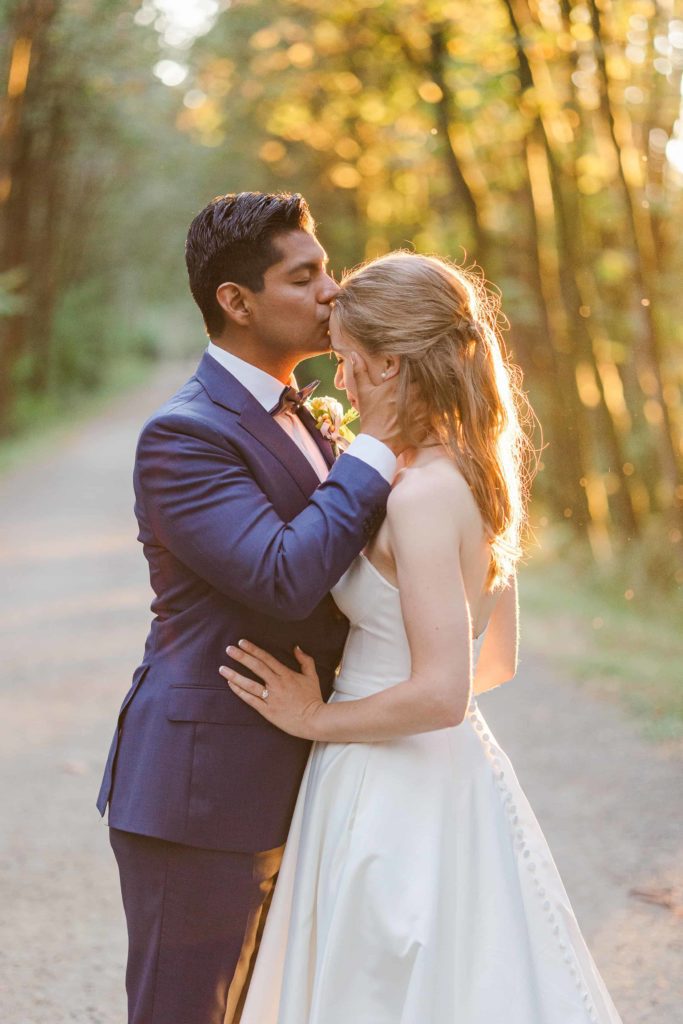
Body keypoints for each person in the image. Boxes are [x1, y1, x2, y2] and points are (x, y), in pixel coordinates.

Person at [223, 252, 625, 1024]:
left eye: (347, 363)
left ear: (392, 362)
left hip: (387, 787)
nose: (341, 383)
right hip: (456, 780)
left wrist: (316, 719)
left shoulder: (418, 498)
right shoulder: (474, 471)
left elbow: (442, 694)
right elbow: (493, 662)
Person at [96, 191, 403, 1024]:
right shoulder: (184, 435)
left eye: (327, 270)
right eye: (304, 278)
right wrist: (377, 442)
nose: (332, 292)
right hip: (203, 792)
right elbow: (280, 576)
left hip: (303, 775)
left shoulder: (305, 414)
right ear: (235, 301)